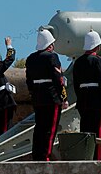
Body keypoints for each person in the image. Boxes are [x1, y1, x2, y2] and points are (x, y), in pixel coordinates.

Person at [25, 29, 68, 161]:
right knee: (50, 128)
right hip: (51, 97)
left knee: (39, 128)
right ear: (50, 45)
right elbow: (58, 79)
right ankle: (46, 156)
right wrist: (63, 97)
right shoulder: (52, 57)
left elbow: (28, 80)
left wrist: (33, 94)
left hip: (37, 97)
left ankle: (37, 155)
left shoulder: (31, 58)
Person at [73, 30, 101, 160]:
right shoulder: (98, 61)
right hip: (96, 101)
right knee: (98, 132)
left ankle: (86, 157)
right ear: (97, 46)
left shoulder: (78, 62)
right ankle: (97, 158)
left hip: (83, 100)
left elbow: (76, 84)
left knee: (85, 130)